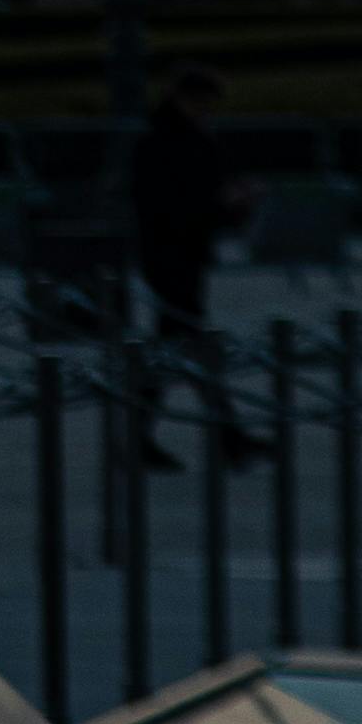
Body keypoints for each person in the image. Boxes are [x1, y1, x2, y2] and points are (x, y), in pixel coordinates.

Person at [122, 69, 251, 465]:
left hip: (175, 253)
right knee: (185, 342)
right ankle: (225, 435)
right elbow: (176, 203)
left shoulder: (169, 138)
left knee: (178, 344)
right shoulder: (170, 142)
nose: (207, 110)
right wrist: (226, 206)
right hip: (173, 253)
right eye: (203, 101)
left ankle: (221, 434)